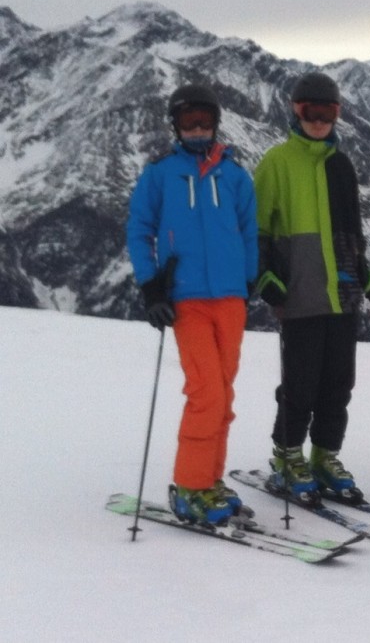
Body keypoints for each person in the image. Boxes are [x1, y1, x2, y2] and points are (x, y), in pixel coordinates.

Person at [126, 84, 258, 525]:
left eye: (204, 121)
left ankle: (211, 480)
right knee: (206, 393)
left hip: (230, 299)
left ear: (215, 123)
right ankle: (190, 487)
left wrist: (249, 279)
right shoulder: (161, 174)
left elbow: (249, 230)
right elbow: (139, 229)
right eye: (189, 122)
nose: (198, 129)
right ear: (176, 126)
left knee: (224, 393)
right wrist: (151, 287)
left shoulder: (235, 176)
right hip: (187, 298)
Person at [253, 72, 370, 501]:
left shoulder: (341, 165)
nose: (319, 121)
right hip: (300, 292)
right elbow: (258, 230)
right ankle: (287, 455)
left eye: (327, 113)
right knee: (301, 383)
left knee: (338, 383)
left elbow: (351, 229)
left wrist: (362, 269)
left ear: (338, 114)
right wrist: (266, 275)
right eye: (311, 112)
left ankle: (325, 455)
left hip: (343, 295)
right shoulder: (276, 162)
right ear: (296, 111)